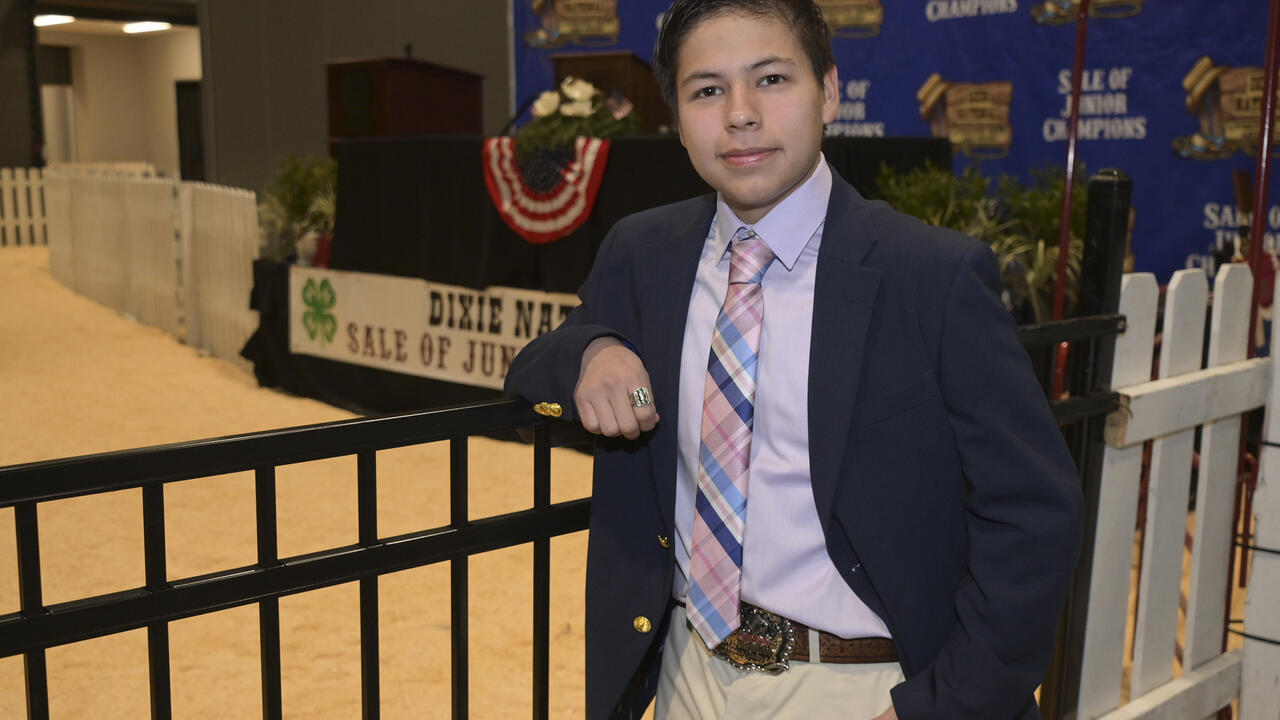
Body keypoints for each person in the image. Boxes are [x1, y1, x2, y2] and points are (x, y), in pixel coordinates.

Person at [504, 1, 1083, 717]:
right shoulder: (643, 252)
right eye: (707, 90)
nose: (740, 114)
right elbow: (536, 367)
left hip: (863, 685)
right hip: (689, 675)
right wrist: (594, 348)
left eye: (771, 79)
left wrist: (940, 707)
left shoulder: (930, 276)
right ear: (678, 117)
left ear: (830, 93)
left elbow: (1034, 513)